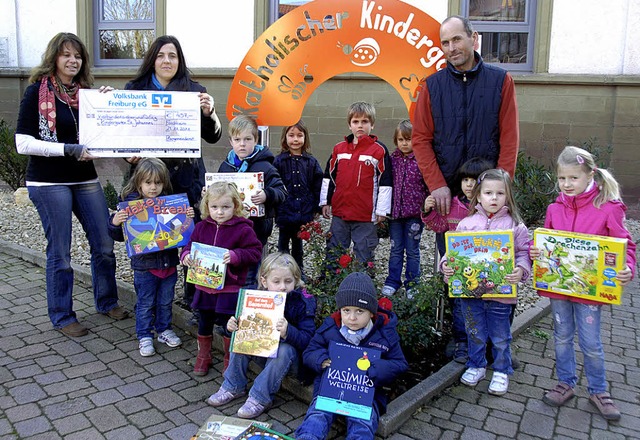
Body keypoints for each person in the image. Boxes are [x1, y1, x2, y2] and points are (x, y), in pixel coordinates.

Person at [15, 32, 127, 338]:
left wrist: (108, 102)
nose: (72, 60)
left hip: (84, 178)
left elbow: (103, 134)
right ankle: (63, 316)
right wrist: (67, 149)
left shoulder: (86, 95)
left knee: (104, 242)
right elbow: (22, 143)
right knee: (60, 252)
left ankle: (106, 301)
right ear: (54, 57)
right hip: (48, 181)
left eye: (77, 56)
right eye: (66, 54)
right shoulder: (36, 92)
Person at [529, 146, 635, 421]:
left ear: (590, 175)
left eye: (573, 178)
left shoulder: (607, 208)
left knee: (591, 343)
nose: (567, 184)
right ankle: (566, 383)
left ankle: (598, 390)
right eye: (563, 178)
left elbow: (625, 245)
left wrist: (627, 268)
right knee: (562, 337)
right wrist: (535, 250)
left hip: (589, 292)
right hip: (559, 289)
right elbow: (545, 241)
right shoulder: (555, 207)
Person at [124, 35, 223, 314]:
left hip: (187, 180)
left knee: (194, 238)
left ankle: (196, 302)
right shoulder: (134, 90)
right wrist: (125, 154)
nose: (167, 61)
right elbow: (124, 134)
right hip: (151, 180)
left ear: (180, 61)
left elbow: (213, 136)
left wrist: (210, 112)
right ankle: (152, 301)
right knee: (153, 239)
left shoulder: (194, 90)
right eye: (161, 55)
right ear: (152, 60)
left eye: (173, 56)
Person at [411, 15, 519, 255]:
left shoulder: (501, 80)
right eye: (445, 42)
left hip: (488, 192)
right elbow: (420, 139)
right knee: (452, 266)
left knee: (491, 266)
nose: (451, 48)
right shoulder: (432, 86)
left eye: (457, 39)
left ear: (474, 39)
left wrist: (501, 184)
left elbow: (509, 137)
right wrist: (437, 185)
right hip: (449, 193)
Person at [441, 169, 530, 396]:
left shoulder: (515, 226)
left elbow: (523, 253)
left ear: (508, 196)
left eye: (500, 193)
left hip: (501, 295)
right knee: (474, 331)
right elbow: (452, 252)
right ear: (478, 196)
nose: (494, 198)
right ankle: (476, 364)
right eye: (488, 193)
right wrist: (446, 267)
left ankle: (501, 369)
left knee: (501, 335)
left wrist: (521, 270)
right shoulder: (467, 224)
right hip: (471, 294)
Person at [295, 272, 408, 440]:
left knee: (362, 424)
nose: (352, 317)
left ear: (371, 312)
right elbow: (310, 351)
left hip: (366, 396)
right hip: (329, 390)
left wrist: (377, 369)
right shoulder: (330, 328)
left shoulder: (384, 333)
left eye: (359, 311)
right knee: (317, 417)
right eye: (346, 310)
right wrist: (321, 360)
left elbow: (400, 363)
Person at [206, 252, 317, 419]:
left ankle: (259, 397)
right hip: (262, 352)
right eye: (276, 281)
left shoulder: (302, 303)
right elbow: (238, 325)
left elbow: (309, 340)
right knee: (242, 335)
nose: (282, 287)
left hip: (287, 361)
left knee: (285, 349)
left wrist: (289, 332)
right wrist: (232, 326)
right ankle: (233, 385)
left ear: (296, 280)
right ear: (264, 281)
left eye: (288, 281)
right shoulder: (254, 297)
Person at [108, 158, 193, 356]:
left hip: (168, 263)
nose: (153, 187)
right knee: (146, 303)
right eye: (148, 183)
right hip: (145, 267)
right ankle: (144, 335)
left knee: (165, 301)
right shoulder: (129, 206)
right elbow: (120, 236)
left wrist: (187, 216)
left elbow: (179, 232)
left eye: (158, 183)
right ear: (139, 183)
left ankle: (164, 329)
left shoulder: (170, 203)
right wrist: (114, 222)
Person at [180, 182, 263, 376]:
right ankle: (204, 356)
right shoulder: (201, 227)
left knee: (229, 324)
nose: (219, 212)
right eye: (214, 207)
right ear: (206, 206)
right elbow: (189, 246)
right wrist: (185, 256)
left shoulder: (243, 229)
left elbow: (255, 252)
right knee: (204, 320)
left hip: (230, 287)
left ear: (235, 206)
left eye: (225, 207)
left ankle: (229, 360)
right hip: (204, 285)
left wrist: (236, 256)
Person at [422, 157, 493, 363]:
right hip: (458, 272)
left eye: (474, 180)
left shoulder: (492, 209)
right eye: (465, 180)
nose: (469, 185)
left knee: (486, 307)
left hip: (485, 271)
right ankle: (462, 342)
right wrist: (428, 210)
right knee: (460, 307)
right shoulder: (452, 205)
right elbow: (437, 226)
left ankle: (487, 345)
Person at [218, 115, 287, 287]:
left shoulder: (265, 166)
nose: (242, 144)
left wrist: (266, 195)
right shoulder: (225, 166)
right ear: (231, 141)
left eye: (247, 139)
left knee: (250, 274)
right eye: (237, 139)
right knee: (230, 274)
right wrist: (209, 192)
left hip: (255, 232)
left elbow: (282, 192)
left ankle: (249, 305)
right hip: (229, 232)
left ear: (256, 140)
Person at [319, 102, 392, 265]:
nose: (360, 125)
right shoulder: (339, 149)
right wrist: (325, 202)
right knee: (334, 251)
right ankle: (329, 284)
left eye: (365, 122)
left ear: (372, 125)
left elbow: (385, 182)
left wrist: (382, 211)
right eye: (356, 122)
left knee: (364, 253)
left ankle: (362, 284)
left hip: (365, 215)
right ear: (349, 124)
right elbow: (328, 176)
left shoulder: (379, 150)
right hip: (340, 212)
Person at [381, 119, 428, 298]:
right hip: (395, 214)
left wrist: (428, 208)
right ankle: (393, 280)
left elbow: (427, 186)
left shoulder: (422, 160)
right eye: (401, 140)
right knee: (395, 248)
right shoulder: (392, 160)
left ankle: (413, 282)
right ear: (396, 141)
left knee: (413, 249)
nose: (405, 143)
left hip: (414, 214)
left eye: (409, 139)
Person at [273, 121, 323, 272]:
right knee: (282, 243)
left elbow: (317, 185)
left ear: (305, 138)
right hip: (284, 210)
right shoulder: (279, 161)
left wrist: (317, 207)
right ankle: (281, 270)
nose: (295, 139)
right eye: (291, 135)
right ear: (285, 138)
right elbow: (274, 184)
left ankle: (298, 271)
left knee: (298, 243)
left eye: (299, 136)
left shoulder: (311, 162)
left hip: (303, 209)